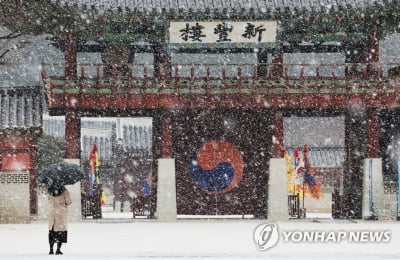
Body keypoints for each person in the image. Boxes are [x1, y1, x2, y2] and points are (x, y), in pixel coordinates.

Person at [47, 185, 72, 255]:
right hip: (61, 214)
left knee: (52, 233)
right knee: (60, 233)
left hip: (52, 214)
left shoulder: (49, 191)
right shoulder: (64, 191)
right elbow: (68, 202)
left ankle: (51, 250)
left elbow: (48, 200)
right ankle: (58, 249)